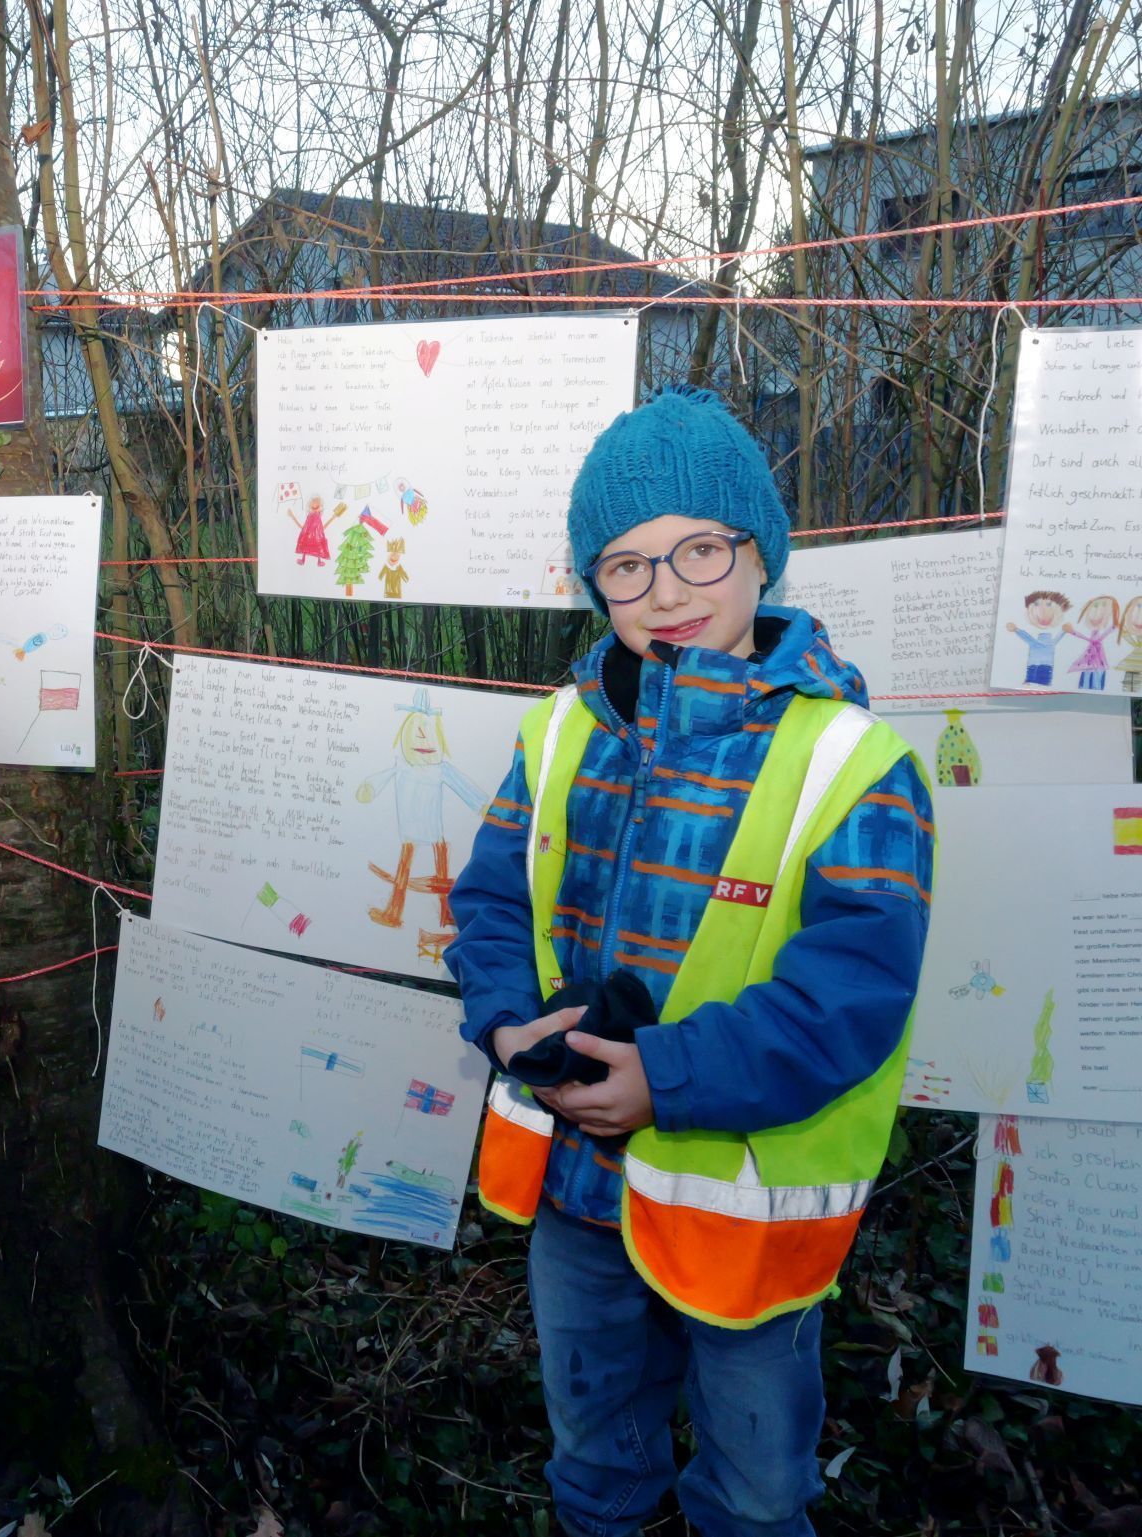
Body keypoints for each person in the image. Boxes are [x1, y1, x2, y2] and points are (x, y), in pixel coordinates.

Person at [446, 388, 934, 1537]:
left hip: (742, 1216)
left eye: (696, 551)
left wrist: (662, 1076)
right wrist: (506, 1022)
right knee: (594, 1465)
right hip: (576, 1196)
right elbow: (488, 899)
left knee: (755, 1495)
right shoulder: (559, 731)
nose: (663, 592)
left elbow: (848, 995)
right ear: (592, 584)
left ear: (759, 555)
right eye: (624, 566)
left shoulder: (853, 763)